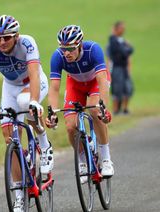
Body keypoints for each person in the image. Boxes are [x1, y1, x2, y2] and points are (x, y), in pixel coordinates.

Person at [0, 15, 53, 211]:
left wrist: (34, 101)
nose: (2, 42)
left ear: (16, 36)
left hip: (33, 83)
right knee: (10, 138)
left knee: (26, 102)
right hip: (10, 88)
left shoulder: (27, 43)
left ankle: (44, 144)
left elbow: (34, 74)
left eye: (6, 37)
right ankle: (18, 195)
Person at [45, 25, 114, 181]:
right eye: (63, 48)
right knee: (70, 126)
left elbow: (102, 80)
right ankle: (83, 160)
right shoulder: (58, 56)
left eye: (70, 48)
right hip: (75, 85)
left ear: (80, 44)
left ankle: (105, 158)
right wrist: (52, 112)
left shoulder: (93, 50)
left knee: (95, 111)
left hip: (95, 82)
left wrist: (104, 107)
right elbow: (54, 87)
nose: (66, 53)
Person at [107, 21, 134, 115]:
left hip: (124, 67)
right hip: (117, 68)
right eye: (121, 28)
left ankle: (124, 109)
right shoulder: (113, 40)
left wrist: (127, 50)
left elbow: (130, 50)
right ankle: (116, 109)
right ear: (116, 29)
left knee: (127, 88)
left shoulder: (121, 41)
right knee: (117, 88)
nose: (123, 30)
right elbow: (125, 51)